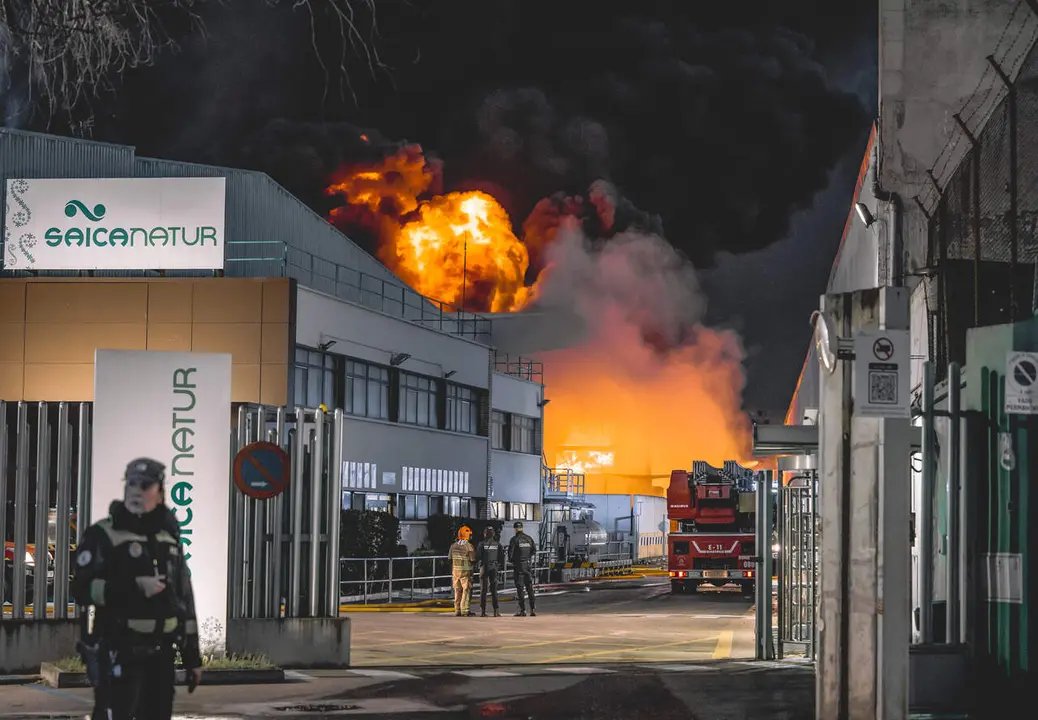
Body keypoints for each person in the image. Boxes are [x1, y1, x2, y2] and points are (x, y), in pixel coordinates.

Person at [73, 458, 203, 720]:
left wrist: (192, 659)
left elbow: (184, 599)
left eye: (144, 485)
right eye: (131, 483)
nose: (136, 491)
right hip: (119, 648)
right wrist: (132, 588)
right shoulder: (104, 535)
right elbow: (80, 589)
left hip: (161, 654)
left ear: (160, 491)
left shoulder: (168, 538)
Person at [507, 521, 537, 616]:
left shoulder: (514, 539)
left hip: (519, 566)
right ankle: (532, 609)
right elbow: (534, 550)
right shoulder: (529, 539)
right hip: (528, 566)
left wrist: (514, 561)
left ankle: (523, 610)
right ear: (522, 528)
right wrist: (527, 557)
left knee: (520, 589)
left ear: (515, 529)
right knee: (530, 588)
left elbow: (510, 555)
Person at [475, 527, 503, 617]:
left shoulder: (481, 544)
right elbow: (501, 557)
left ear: (485, 534)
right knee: (494, 590)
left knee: (483, 590)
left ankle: (483, 611)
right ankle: (496, 611)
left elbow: (478, 556)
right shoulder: (497, 544)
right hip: (494, 567)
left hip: (484, 567)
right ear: (493, 534)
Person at [448, 525, 476, 617]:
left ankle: (457, 610)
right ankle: (465, 610)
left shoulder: (453, 546)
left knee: (457, 590)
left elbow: (450, 559)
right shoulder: (469, 546)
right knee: (466, 591)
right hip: (466, 572)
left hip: (455, 571)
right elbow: (472, 559)